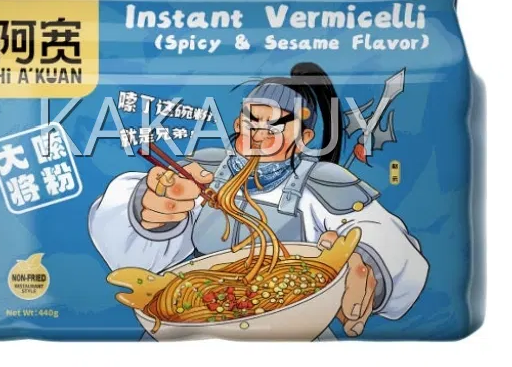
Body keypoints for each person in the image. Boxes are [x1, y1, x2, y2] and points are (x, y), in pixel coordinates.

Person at [88, 62, 428, 338]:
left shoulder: (322, 183)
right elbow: (140, 253)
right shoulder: (204, 171)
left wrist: (363, 264)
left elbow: (380, 234)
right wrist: (153, 213)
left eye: (277, 125)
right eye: (253, 120)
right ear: (239, 122)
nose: (260, 132)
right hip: (192, 324)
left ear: (305, 137)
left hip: (294, 326)